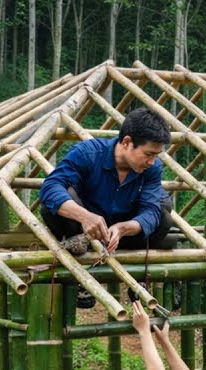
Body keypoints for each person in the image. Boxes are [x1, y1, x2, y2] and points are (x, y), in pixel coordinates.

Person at [39, 108, 177, 307]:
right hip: (82, 231)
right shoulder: (87, 153)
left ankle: (137, 275)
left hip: (121, 236)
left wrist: (125, 227)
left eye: (156, 155)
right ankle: (84, 261)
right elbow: (50, 187)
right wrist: (85, 217)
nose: (152, 161)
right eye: (148, 154)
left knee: (163, 217)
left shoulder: (152, 168)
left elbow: (151, 210)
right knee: (56, 205)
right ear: (127, 142)